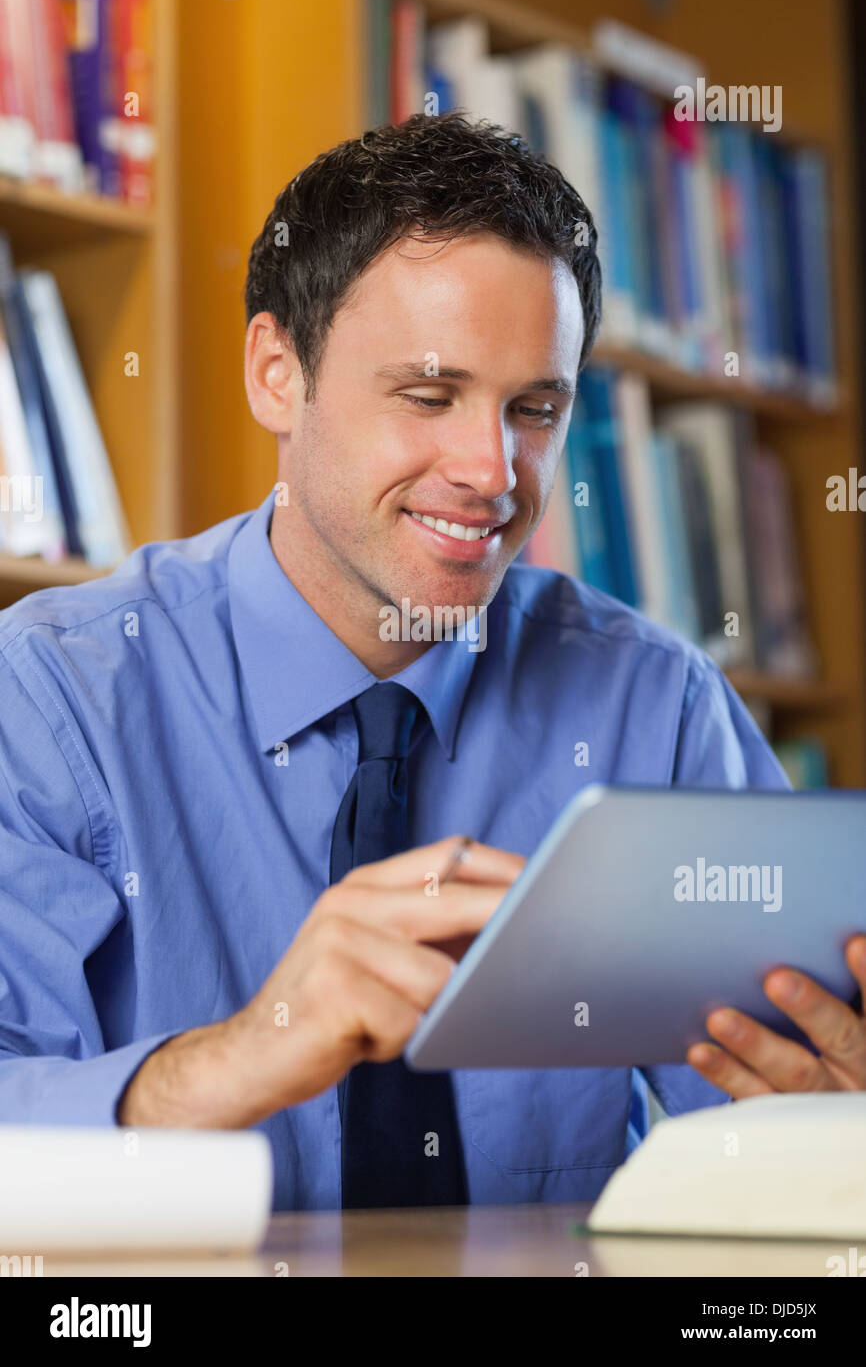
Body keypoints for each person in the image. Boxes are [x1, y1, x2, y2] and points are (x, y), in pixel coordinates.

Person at [1, 114, 864, 1212]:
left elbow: (760, 1168)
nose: (488, 471)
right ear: (276, 373)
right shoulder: (50, 696)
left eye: (533, 409)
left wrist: (830, 1137)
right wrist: (246, 1053)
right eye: (426, 395)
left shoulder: (655, 706)